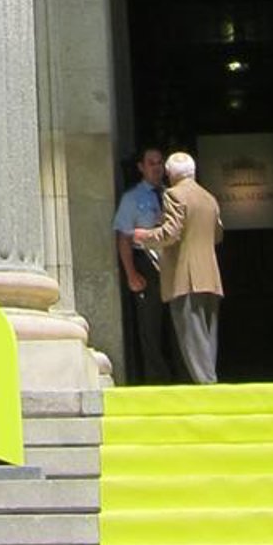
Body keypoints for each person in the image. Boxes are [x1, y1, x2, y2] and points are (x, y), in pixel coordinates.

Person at [132, 149, 224, 385]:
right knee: (207, 338)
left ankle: (207, 386)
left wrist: (145, 236)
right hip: (210, 276)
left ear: (171, 173)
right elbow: (217, 235)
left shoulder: (174, 194)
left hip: (185, 276)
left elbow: (170, 233)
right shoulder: (209, 198)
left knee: (192, 337)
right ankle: (209, 381)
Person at [112, 145, 170, 384]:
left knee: (176, 325)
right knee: (150, 327)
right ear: (141, 167)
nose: (157, 168)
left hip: (172, 266)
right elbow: (124, 238)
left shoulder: (172, 195)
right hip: (146, 264)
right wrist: (131, 274)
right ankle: (157, 379)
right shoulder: (132, 198)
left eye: (160, 163)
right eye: (151, 163)